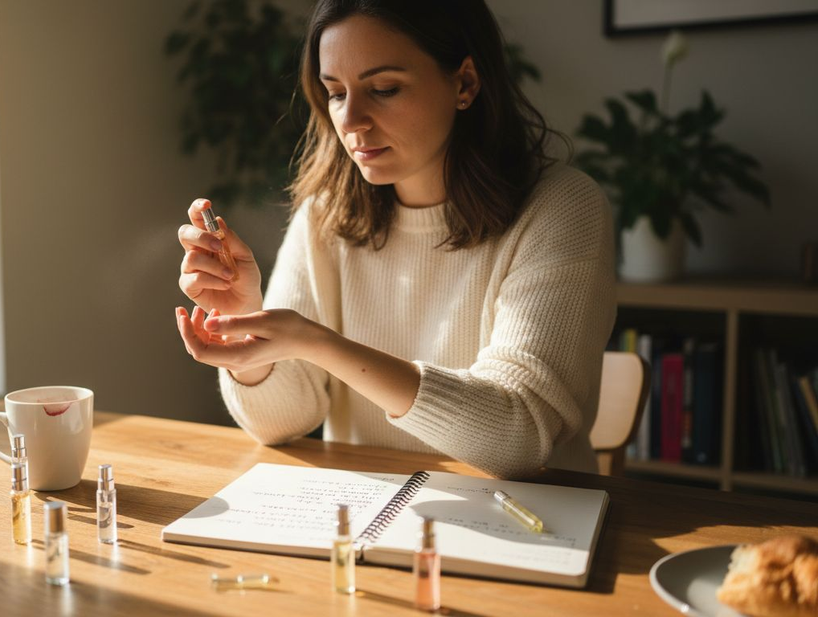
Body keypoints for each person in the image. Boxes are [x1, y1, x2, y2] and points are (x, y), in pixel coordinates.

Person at [175, 0, 616, 479]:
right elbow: (280, 424)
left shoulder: (561, 207)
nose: (351, 120)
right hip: (373, 510)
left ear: (465, 83)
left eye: (383, 89)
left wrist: (319, 344)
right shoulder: (325, 215)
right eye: (335, 93)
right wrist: (247, 329)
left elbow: (520, 436)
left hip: (533, 514)